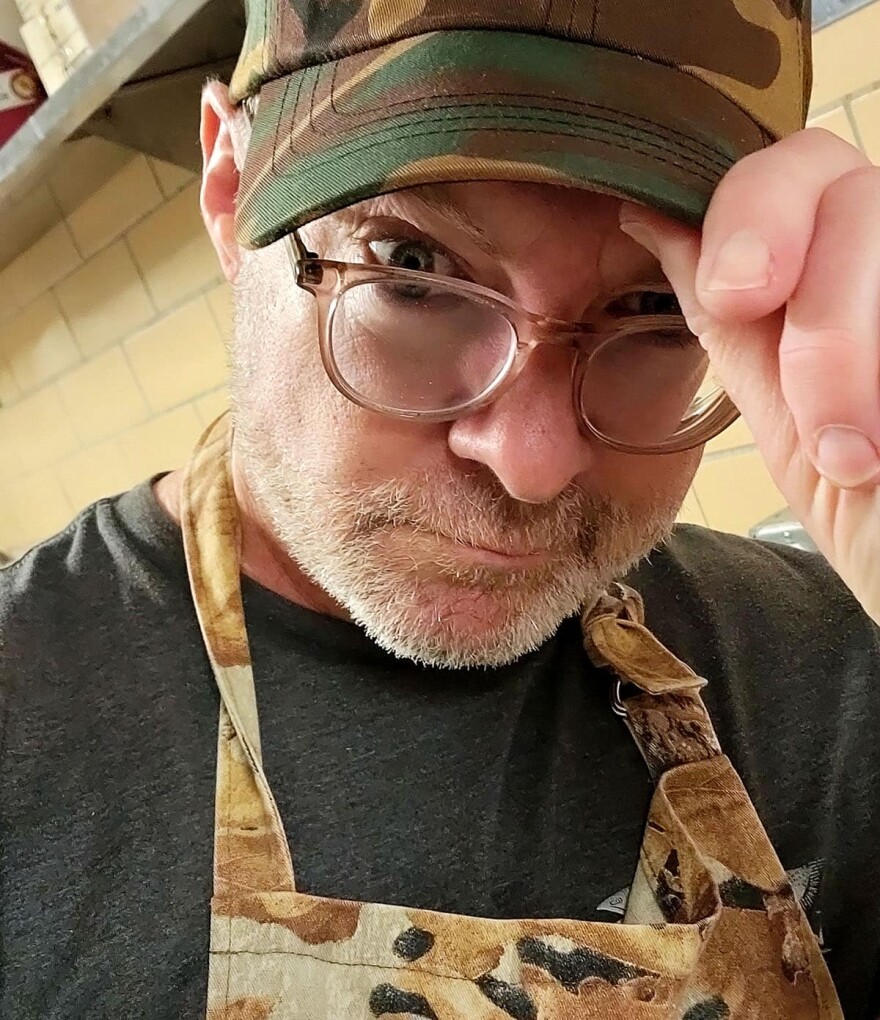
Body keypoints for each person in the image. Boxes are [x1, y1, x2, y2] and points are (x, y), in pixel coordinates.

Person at [2, 1, 879, 1017]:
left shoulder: (838, 661)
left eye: (655, 312)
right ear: (232, 188)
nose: (532, 462)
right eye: (413, 271)